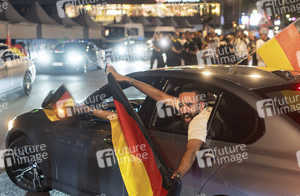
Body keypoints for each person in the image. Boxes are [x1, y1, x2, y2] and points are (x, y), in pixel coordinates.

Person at [80, 64, 211, 180]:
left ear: (201, 105)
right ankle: (90, 110)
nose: (184, 110)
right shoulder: (195, 107)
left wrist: (178, 175)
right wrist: (128, 80)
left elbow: (192, 150)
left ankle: (88, 110)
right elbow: (159, 95)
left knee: (127, 118)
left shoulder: (200, 121)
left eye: (188, 105)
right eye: (181, 104)